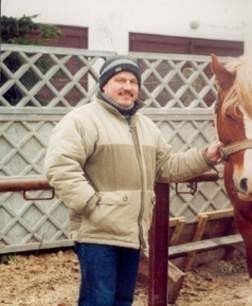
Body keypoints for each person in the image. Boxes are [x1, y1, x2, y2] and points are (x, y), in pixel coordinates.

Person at [44, 55, 222, 306]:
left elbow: (167, 167)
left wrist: (205, 156)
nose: (127, 87)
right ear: (104, 85)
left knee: (122, 301)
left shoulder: (145, 125)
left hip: (132, 234)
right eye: (119, 80)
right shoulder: (81, 120)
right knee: (99, 302)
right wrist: (92, 204)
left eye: (132, 81)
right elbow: (59, 166)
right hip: (97, 236)